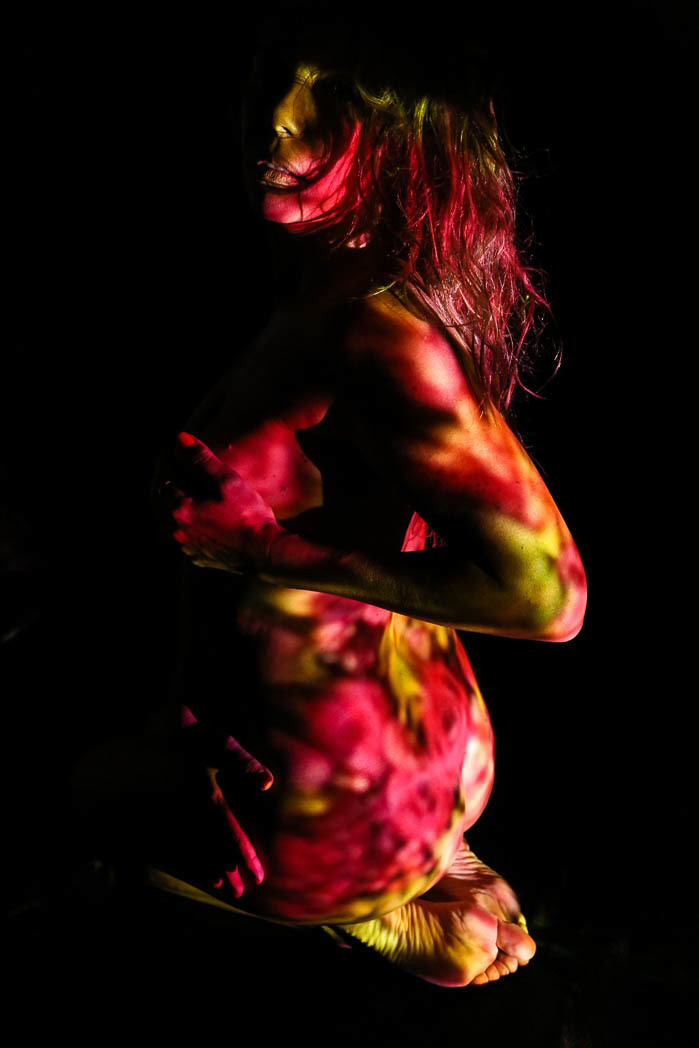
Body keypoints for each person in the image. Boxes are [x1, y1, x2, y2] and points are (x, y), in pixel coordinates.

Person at [94, 24, 587, 989]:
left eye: (334, 97)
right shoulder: (338, 291)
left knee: (63, 801)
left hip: (341, 808)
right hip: (401, 760)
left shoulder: (381, 333)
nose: (277, 120)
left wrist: (260, 553)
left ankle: (370, 913)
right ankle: (425, 852)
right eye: (270, 80)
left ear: (408, 135)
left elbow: (550, 600)